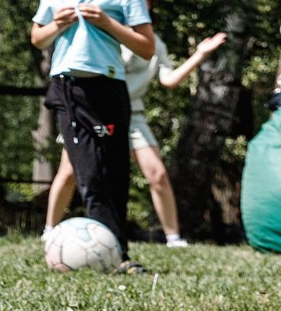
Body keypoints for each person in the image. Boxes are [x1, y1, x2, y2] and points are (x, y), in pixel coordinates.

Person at [27, 0, 155, 272]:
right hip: (70, 88)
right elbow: (37, 37)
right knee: (91, 171)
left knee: (114, 172)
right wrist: (57, 25)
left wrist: (109, 24)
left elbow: (146, 48)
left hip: (110, 89)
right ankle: (115, 256)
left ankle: (115, 248)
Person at [42, 29, 224, 249]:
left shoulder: (154, 42)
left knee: (157, 174)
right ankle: (50, 230)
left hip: (133, 114)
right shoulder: (102, 32)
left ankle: (173, 238)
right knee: (69, 172)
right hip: (93, 112)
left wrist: (200, 54)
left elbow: (168, 79)